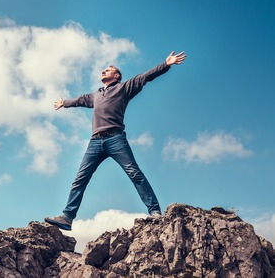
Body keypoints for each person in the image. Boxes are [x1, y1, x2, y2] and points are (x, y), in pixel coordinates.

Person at [44, 51, 186, 231]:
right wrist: (64, 103)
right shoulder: (96, 95)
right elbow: (80, 100)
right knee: (80, 179)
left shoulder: (124, 88)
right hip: (95, 142)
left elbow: (145, 77)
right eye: (103, 70)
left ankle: (155, 211)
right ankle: (67, 217)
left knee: (134, 173)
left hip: (116, 138)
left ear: (116, 76)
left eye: (108, 69)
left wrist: (166, 65)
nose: (104, 71)